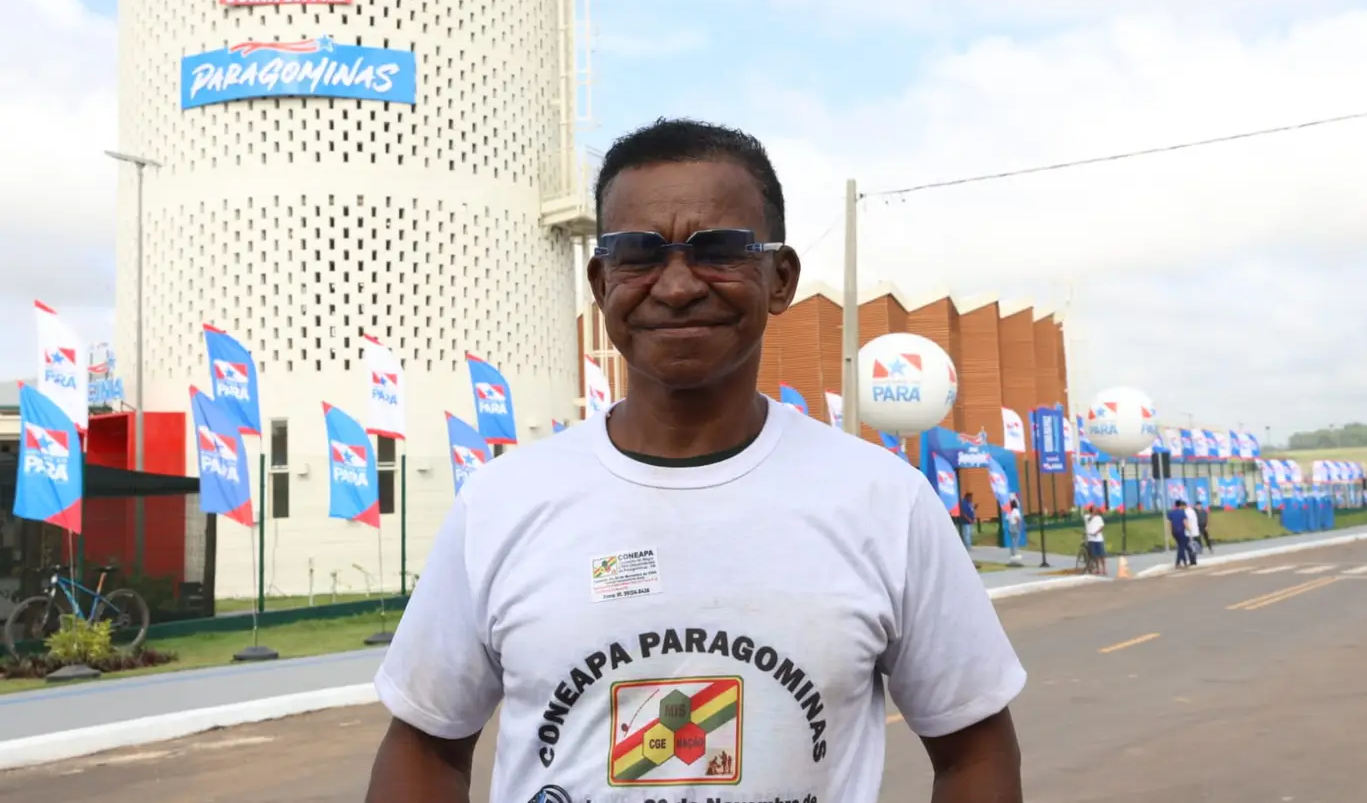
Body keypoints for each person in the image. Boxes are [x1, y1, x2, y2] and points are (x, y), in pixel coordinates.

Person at [365, 119, 1026, 803]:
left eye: (719, 250)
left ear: (780, 278)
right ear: (601, 282)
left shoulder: (885, 503)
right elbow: (425, 747)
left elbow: (974, 752)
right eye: (638, 254)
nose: (677, 286)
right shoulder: (503, 503)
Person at [1169, 499, 1196, 568]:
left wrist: (1171, 532)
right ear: (1180, 505)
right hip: (1181, 531)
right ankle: (1179, 563)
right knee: (1182, 547)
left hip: (1174, 532)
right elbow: (1185, 522)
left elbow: (1170, 523)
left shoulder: (1171, 513)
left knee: (1181, 546)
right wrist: (1189, 530)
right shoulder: (1182, 512)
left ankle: (1183, 562)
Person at [1083, 505, 1106, 575]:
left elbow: (1102, 526)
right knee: (1095, 556)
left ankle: (1104, 569)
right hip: (1091, 539)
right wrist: (1092, 514)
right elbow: (1088, 520)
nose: (1097, 510)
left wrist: (1097, 532)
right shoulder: (1087, 516)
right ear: (1092, 510)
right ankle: (1098, 569)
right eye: (1095, 509)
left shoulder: (1099, 518)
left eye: (1096, 509)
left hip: (1099, 539)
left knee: (1102, 555)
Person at [1006, 498, 1023, 563]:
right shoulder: (1016, 510)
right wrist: (1019, 526)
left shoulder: (1009, 511)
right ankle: (1015, 554)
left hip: (1010, 526)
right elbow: (1017, 518)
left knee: (1012, 540)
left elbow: (1007, 519)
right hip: (1015, 525)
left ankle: (1012, 553)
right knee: (1016, 540)